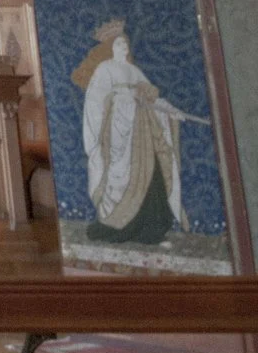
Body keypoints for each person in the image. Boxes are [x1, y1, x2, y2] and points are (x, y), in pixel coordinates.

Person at [74, 17, 203, 245]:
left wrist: (173, 112)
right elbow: (95, 100)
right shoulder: (105, 69)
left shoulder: (134, 71)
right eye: (119, 44)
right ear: (110, 48)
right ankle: (118, 226)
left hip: (142, 132)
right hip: (118, 132)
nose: (124, 47)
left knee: (151, 173)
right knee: (120, 175)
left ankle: (150, 228)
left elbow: (154, 98)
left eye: (125, 44)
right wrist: (123, 100)